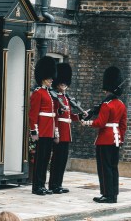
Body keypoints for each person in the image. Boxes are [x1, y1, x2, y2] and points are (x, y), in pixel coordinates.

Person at [83, 65, 127, 204]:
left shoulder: (107, 104)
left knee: (104, 168)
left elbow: (100, 123)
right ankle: (113, 194)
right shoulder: (121, 104)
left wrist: (87, 123)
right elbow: (123, 125)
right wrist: (121, 139)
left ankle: (106, 195)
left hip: (105, 140)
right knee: (113, 167)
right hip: (116, 139)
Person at [48, 61, 87, 194]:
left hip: (67, 133)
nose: (63, 85)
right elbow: (56, 117)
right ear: (57, 83)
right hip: (59, 132)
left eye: (65, 83)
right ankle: (53, 185)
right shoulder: (55, 98)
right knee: (56, 160)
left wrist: (80, 116)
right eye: (61, 83)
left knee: (63, 160)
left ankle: (58, 184)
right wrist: (56, 133)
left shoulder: (66, 98)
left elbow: (69, 116)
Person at [29, 56, 58, 196]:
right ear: (43, 78)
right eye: (49, 78)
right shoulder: (38, 93)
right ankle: (37, 186)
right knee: (40, 160)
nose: (52, 79)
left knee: (46, 159)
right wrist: (34, 131)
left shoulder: (49, 93)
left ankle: (42, 184)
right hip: (42, 131)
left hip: (49, 131)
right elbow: (33, 114)